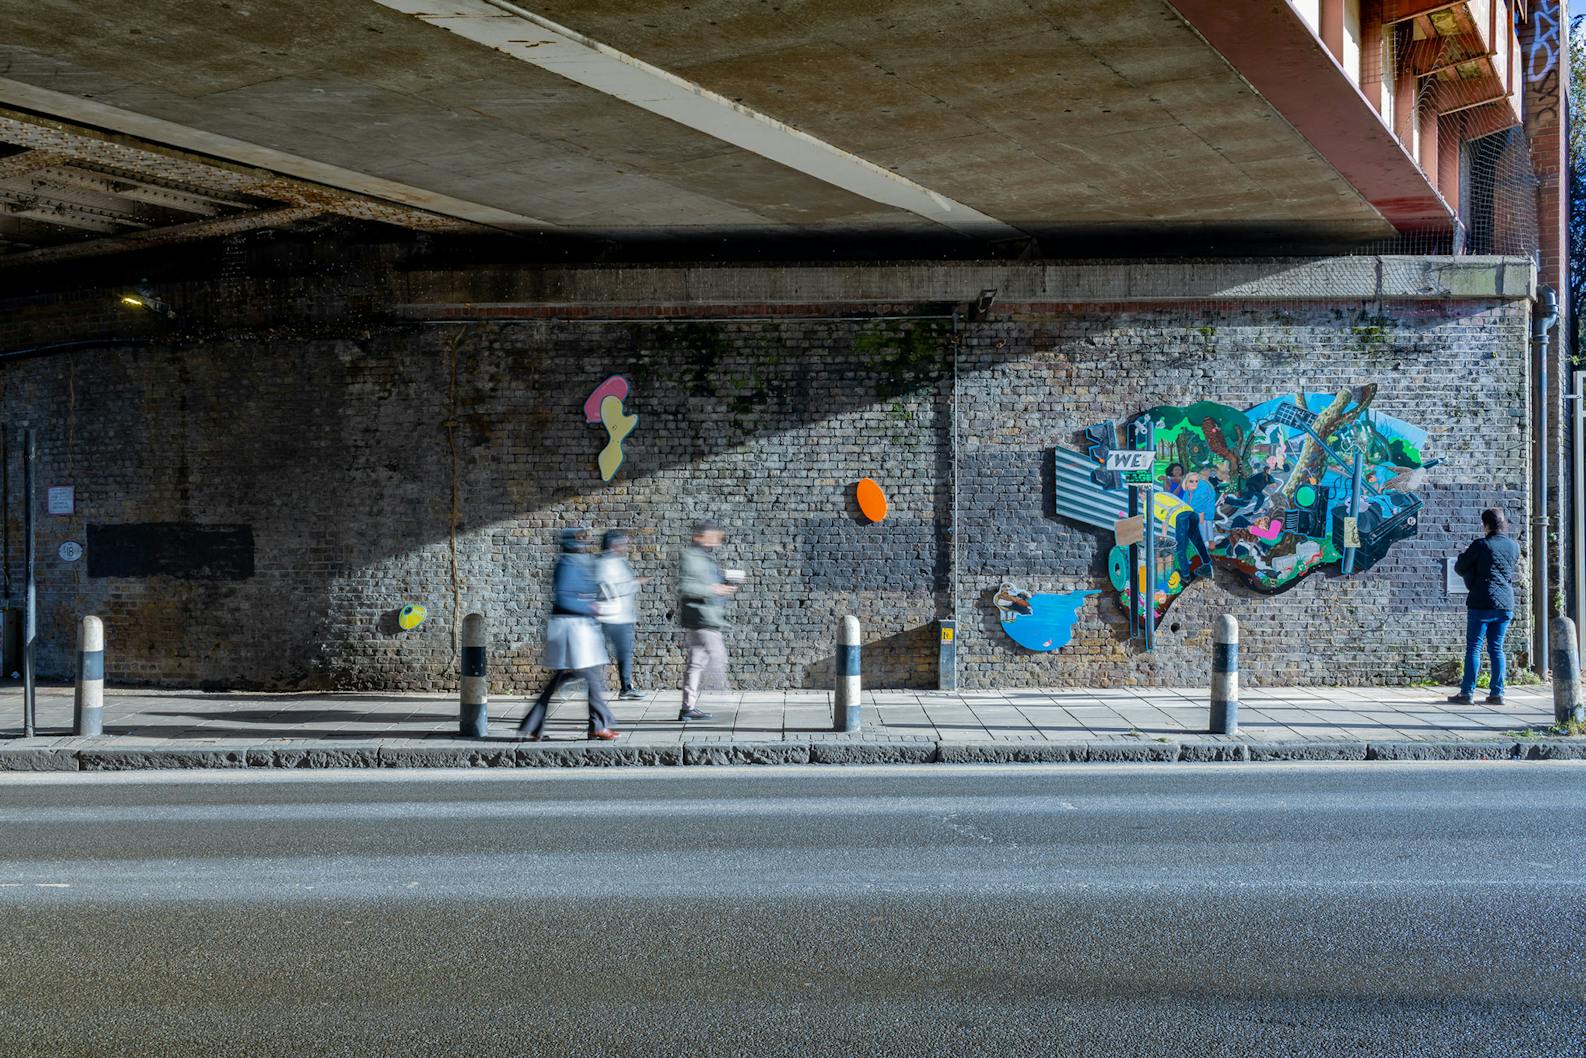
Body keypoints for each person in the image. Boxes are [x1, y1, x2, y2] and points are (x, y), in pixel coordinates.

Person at [517, 528, 620, 742]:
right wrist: (590, 606)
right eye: (579, 540)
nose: (583, 544)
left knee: (561, 679)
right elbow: (564, 598)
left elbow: (587, 589)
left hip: (578, 630)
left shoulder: (577, 562)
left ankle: (534, 724)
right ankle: (598, 726)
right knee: (592, 678)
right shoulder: (566, 564)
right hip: (572, 630)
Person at [1448, 508, 1520, 706]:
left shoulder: (1481, 545)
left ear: (1486, 525)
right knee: (1497, 648)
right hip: (1505, 603)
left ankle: (1467, 692)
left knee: (1474, 648)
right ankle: (1497, 693)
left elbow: (1460, 567)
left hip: (1482, 603)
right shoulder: (1514, 546)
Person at [678, 519, 737, 722]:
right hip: (702, 619)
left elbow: (706, 584)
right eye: (713, 538)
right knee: (718, 657)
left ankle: (688, 708)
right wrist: (713, 589)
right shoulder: (690, 557)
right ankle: (723, 696)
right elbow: (686, 587)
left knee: (695, 664)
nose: (716, 542)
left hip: (705, 617)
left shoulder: (704, 557)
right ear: (700, 536)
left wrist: (723, 585)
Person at [596, 529, 647, 700]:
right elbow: (609, 588)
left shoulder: (618, 561)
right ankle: (569, 679)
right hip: (612, 617)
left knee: (623, 653)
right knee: (606, 654)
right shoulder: (605, 563)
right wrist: (634, 583)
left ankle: (626, 687)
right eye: (622, 543)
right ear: (613, 544)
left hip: (621, 617)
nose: (625, 546)